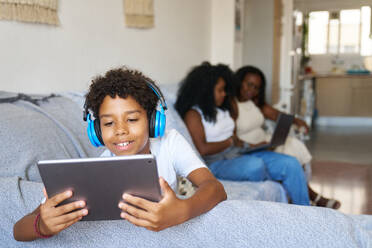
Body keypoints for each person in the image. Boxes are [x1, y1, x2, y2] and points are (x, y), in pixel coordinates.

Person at [13, 67, 226, 241]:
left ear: (153, 122)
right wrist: (42, 225)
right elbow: (18, 230)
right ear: (96, 131)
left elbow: (215, 188)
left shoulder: (170, 143)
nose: (120, 130)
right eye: (108, 123)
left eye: (132, 119)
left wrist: (182, 210)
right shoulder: (94, 171)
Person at [175, 62, 310, 206]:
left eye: (225, 90)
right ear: (206, 91)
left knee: (290, 163)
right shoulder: (193, 114)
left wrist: (255, 146)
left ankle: (305, 214)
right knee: (255, 166)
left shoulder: (222, 110)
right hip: (216, 162)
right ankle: (279, 179)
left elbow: (236, 140)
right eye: (220, 90)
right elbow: (202, 149)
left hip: (238, 153)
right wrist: (229, 142)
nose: (224, 94)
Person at [233, 65, 341, 209]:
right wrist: (259, 146)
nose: (251, 90)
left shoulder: (255, 103)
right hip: (251, 148)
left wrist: (297, 121)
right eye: (249, 84)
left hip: (265, 141)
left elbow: (278, 116)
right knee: (288, 155)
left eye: (256, 87)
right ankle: (313, 197)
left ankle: (303, 194)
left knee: (293, 144)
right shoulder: (231, 105)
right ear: (240, 81)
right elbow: (233, 139)